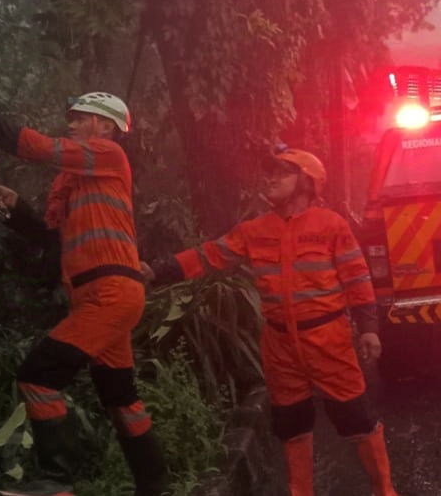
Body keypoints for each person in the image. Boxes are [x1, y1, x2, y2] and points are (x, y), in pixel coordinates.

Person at [143, 145, 398, 496]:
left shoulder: (331, 226)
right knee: (291, 425)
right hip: (279, 346)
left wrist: (369, 328)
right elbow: (210, 255)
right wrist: (158, 272)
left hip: (328, 340)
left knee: (355, 418)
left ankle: (385, 491)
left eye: (282, 171)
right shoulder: (254, 230)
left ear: (307, 182)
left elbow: (356, 277)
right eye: (270, 171)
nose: (271, 178)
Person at [0, 92, 167, 496]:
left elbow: (41, 148)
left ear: (105, 126)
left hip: (110, 293)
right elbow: (49, 241)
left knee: (37, 376)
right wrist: (16, 205)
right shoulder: (74, 183)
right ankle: (155, 487)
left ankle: (57, 482)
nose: (70, 124)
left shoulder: (107, 154)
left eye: (80, 118)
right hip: (103, 297)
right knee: (120, 398)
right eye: (71, 119)